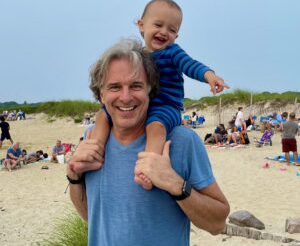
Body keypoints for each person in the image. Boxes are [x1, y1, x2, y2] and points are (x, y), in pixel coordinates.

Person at [67, 39, 230, 245]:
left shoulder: (181, 141)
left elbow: (217, 223)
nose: (125, 97)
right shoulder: (93, 138)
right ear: (101, 93)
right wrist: (74, 177)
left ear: (149, 89)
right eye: (115, 87)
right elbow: (93, 217)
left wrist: (176, 185)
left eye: (135, 86)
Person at [90, 0, 229, 190]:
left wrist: (209, 75)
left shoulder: (172, 52)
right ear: (141, 25)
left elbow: (190, 65)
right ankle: (93, 150)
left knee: (155, 127)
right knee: (102, 114)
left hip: (166, 106)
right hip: (143, 106)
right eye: (158, 25)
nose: (164, 32)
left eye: (172, 30)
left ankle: (149, 169)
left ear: (176, 36)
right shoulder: (137, 57)